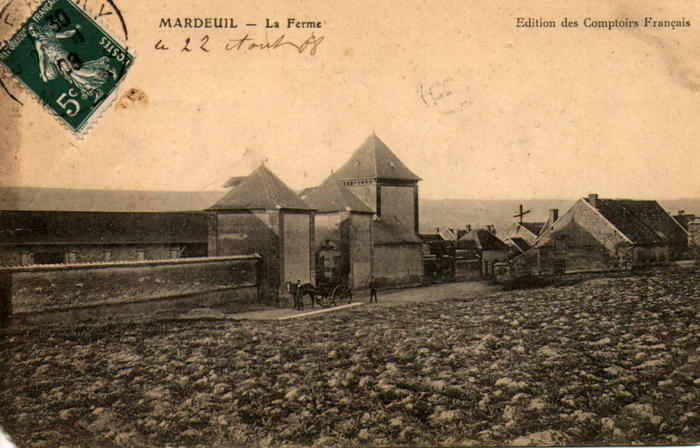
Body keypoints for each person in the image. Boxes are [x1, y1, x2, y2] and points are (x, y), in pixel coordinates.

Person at [28, 22, 117, 101]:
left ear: (37, 30)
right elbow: (65, 35)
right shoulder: (44, 37)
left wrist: (43, 74)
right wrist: (75, 30)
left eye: (32, 32)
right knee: (75, 77)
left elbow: (42, 58)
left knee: (79, 71)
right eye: (31, 33)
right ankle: (96, 90)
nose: (32, 34)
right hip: (59, 63)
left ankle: (106, 68)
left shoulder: (41, 40)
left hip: (63, 57)